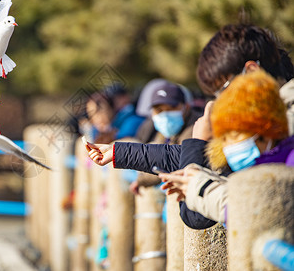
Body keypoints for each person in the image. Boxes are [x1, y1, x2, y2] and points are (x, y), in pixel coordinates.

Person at [85, 23, 294, 229]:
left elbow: (196, 215)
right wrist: (119, 152)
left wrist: (198, 151)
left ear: (251, 71)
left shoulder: (279, 127)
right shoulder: (269, 121)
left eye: (223, 90)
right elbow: (188, 157)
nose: (219, 102)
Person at [158, 71, 293, 224]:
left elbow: (254, 212)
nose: (228, 146)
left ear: (265, 131)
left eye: (234, 135)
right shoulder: (265, 163)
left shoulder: (289, 163)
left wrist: (200, 187)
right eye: (223, 138)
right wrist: (204, 178)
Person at [128, 81, 201, 193]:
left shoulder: (195, 128)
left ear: (186, 107)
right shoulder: (163, 132)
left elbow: (171, 161)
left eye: (171, 108)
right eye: (159, 110)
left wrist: (142, 180)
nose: (165, 114)